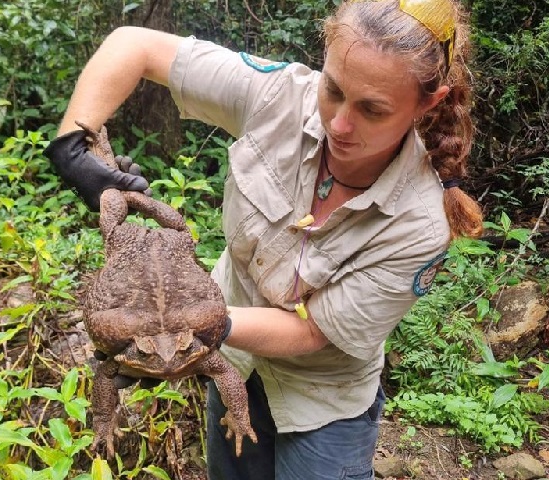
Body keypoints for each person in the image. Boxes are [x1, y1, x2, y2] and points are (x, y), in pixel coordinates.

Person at [44, 0, 483, 478]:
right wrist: (73, 149)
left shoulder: (419, 224)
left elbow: (314, 331)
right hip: (232, 364)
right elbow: (135, 45)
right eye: (332, 89)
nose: (339, 123)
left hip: (321, 400)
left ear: (428, 103)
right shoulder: (278, 96)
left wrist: (186, 328)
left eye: (372, 110)